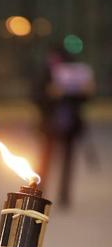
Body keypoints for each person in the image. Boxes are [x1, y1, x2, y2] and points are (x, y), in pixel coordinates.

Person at [35, 47, 95, 208]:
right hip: (50, 124)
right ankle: (39, 191)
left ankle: (64, 195)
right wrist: (50, 94)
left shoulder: (76, 72)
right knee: (45, 160)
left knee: (68, 161)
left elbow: (85, 97)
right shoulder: (45, 74)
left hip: (71, 124)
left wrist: (84, 91)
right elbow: (36, 96)